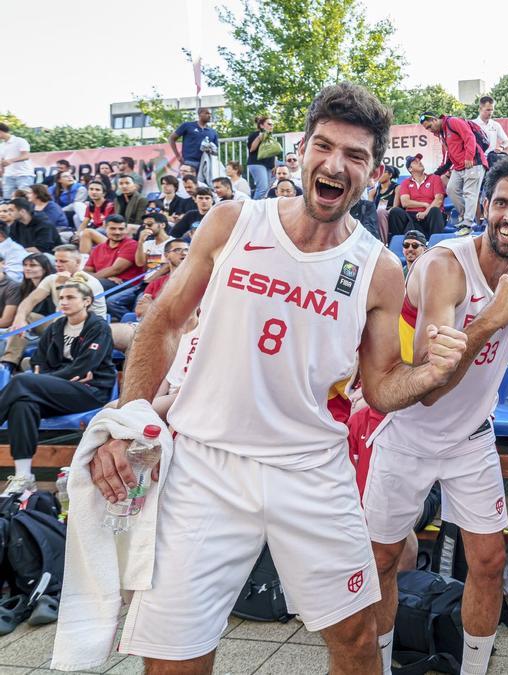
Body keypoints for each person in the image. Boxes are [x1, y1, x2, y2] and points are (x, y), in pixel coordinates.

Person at [79, 82, 470, 674]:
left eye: (356, 156)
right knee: (172, 656)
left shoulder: (379, 269)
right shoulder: (233, 221)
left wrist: (433, 370)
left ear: (375, 171)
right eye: (324, 145)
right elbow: (161, 323)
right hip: (205, 465)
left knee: (358, 642)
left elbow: (383, 388)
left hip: (312, 469)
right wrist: (129, 417)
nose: (336, 164)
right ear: (302, 151)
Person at [365, 156, 508, 675]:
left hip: (471, 439)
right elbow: (430, 386)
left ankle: (474, 669)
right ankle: (382, 663)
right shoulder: (443, 266)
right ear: (483, 205)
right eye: (501, 202)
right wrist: (494, 317)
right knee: (382, 562)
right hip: (409, 432)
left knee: (489, 562)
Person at [0, 281, 115, 492]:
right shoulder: (56, 327)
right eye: (61, 298)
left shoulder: (99, 327)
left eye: (70, 297)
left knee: (21, 381)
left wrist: (45, 379)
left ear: (87, 301)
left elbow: (85, 367)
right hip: (59, 390)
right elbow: (38, 360)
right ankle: (24, 476)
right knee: (23, 404)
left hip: (90, 391)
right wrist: (47, 379)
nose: (64, 302)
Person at [420, 112, 488, 236]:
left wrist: (469, 156)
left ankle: (468, 224)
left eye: (429, 126)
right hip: (458, 167)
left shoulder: (453, 122)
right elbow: (448, 158)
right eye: (427, 129)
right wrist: (434, 174)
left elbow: (469, 137)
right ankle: (464, 217)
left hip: (474, 162)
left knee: (469, 193)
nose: (429, 130)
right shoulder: (442, 134)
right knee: (451, 189)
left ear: (435, 119)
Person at [81, 214, 143, 318]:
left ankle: (133, 322)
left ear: (126, 229)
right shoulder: (99, 248)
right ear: (105, 227)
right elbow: (86, 271)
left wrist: (93, 277)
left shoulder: (131, 244)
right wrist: (103, 276)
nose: (117, 232)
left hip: (126, 284)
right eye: (113, 228)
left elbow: (116, 269)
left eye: (121, 229)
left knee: (86, 286)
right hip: (107, 282)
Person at [387, 154, 445, 240]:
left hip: (430, 215)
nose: (420, 163)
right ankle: (399, 242)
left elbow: (439, 199)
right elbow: (405, 202)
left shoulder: (434, 178)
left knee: (435, 210)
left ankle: (435, 242)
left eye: (420, 161)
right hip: (411, 216)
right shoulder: (406, 182)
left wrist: (425, 212)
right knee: (395, 212)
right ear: (410, 169)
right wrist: (424, 204)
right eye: (415, 162)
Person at [169, 108, 219, 173]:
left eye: (210, 114)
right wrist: (178, 156)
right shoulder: (187, 125)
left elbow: (216, 151)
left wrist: (210, 150)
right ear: (200, 114)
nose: (209, 115)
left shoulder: (213, 132)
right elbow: (171, 138)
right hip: (189, 162)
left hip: (205, 163)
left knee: (204, 183)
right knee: (188, 182)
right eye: (207, 113)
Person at [246, 115, 280, 199]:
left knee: (267, 189)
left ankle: (261, 207)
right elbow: (251, 149)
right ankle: (253, 208)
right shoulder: (255, 135)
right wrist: (259, 138)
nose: (271, 126)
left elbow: (274, 153)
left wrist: (275, 165)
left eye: (272, 124)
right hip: (257, 163)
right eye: (269, 124)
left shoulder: (270, 137)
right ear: (261, 125)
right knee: (262, 189)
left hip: (269, 166)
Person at [473, 95, 508, 164]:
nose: (490, 112)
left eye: (492, 110)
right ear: (480, 109)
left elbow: (507, 142)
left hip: (491, 161)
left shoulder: (495, 125)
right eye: (488, 110)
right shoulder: (472, 124)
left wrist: (500, 148)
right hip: (477, 162)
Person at [0, 123, 34, 198]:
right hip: (8, 176)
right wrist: (2, 175)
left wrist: (11, 160)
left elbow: (26, 156)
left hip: (23, 174)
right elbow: (2, 162)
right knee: (8, 199)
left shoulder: (20, 141)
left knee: (24, 199)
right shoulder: (1, 145)